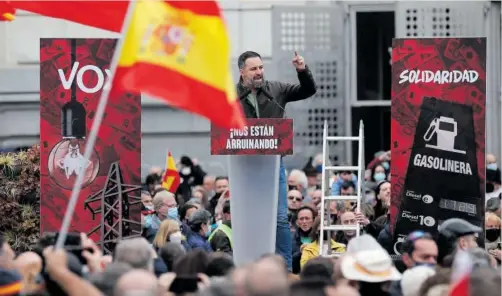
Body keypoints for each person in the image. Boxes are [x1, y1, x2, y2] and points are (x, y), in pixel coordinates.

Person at [236, 50, 317, 272]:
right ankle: (248, 268)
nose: (259, 72)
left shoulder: (276, 90)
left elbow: (308, 90)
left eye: (261, 67)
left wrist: (302, 70)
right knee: (249, 220)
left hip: (273, 165)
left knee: (281, 219)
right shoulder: (230, 95)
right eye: (254, 69)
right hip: (243, 168)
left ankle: (285, 271)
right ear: (242, 72)